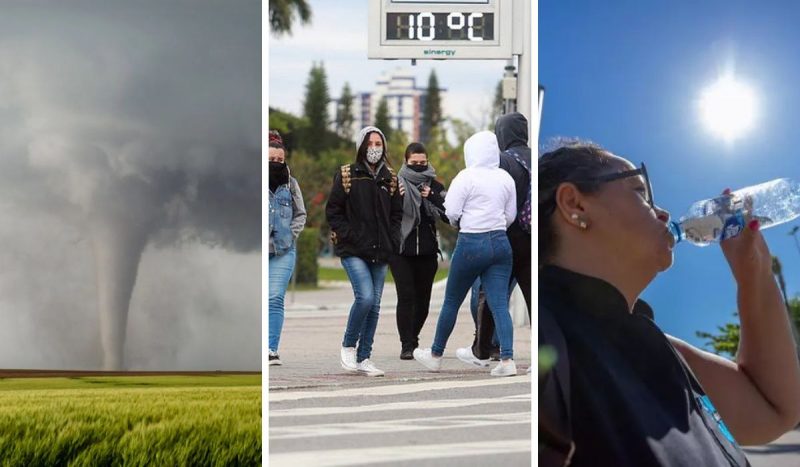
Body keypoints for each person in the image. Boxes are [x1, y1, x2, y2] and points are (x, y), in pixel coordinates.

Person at [539, 142, 800, 466]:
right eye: (640, 190)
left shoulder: (657, 346)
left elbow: (775, 411)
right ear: (574, 204)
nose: (663, 212)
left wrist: (754, 270)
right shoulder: (544, 333)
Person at [413, 130, 518, 377]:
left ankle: (436, 355)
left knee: (451, 301)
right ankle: (507, 360)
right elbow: (510, 215)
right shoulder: (505, 178)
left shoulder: (466, 176)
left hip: (472, 241)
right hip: (501, 243)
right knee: (500, 304)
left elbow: (451, 212)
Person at [325, 126, 403, 377]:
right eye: (369, 143)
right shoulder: (347, 174)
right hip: (353, 249)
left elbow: (396, 214)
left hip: (381, 250)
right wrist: (349, 234)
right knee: (365, 298)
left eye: (378, 144)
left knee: (376, 305)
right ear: (361, 146)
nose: (374, 148)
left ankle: (364, 356)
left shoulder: (390, 178)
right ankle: (348, 344)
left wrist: (392, 239)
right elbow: (333, 211)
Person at [458, 112, 532, 368]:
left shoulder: (503, 161)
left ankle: (482, 349)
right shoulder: (536, 159)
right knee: (533, 296)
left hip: (506, 237)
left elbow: (493, 199)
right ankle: (538, 352)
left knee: (489, 293)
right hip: (532, 238)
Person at [389, 142, 448, 360]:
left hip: (427, 252)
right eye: (415, 163)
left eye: (423, 163)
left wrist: (431, 195)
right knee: (406, 297)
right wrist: (397, 198)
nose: (419, 167)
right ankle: (407, 345)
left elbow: (450, 213)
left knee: (423, 300)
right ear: (406, 162)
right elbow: (385, 214)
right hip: (401, 251)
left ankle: (413, 338)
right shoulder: (394, 183)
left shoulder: (435, 185)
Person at [267, 130, 306, 366]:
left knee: (274, 298)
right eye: (271, 160)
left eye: (279, 160)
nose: (275, 163)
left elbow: (300, 214)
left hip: (283, 251)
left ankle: (271, 349)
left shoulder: (291, 185)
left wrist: (290, 237)